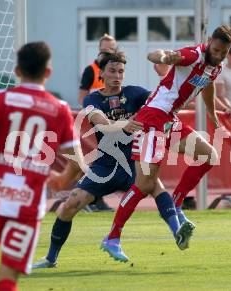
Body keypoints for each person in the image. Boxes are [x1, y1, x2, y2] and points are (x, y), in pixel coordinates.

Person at [33, 51, 192, 267]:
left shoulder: (135, 94)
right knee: (70, 205)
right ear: (102, 73)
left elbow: (164, 102)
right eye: (112, 71)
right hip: (105, 165)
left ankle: (177, 232)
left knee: (156, 186)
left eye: (121, 71)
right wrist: (122, 125)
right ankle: (51, 258)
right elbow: (101, 123)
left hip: (134, 160)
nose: (117, 75)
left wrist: (167, 75)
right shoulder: (92, 99)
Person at [0, 41, 82, 291]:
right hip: (28, 199)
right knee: (9, 273)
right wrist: (63, 179)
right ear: (48, 72)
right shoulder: (60, 109)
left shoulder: (0, 98)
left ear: (17, 71)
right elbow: (77, 161)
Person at [102, 25, 231, 260]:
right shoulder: (193, 54)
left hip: (168, 120)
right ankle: (112, 237)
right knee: (144, 184)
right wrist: (164, 56)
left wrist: (213, 114)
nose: (218, 55)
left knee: (208, 155)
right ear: (209, 41)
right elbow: (157, 56)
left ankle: (176, 203)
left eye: (223, 53)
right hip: (153, 117)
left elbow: (208, 85)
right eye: (216, 50)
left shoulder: (216, 66)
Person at [78, 33, 117, 212]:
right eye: (103, 50)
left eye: (109, 50)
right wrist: (94, 112)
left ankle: (92, 197)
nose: (105, 53)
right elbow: (82, 97)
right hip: (93, 122)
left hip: (109, 122)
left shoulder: (116, 70)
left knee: (105, 159)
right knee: (99, 160)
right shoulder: (91, 70)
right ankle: (87, 196)